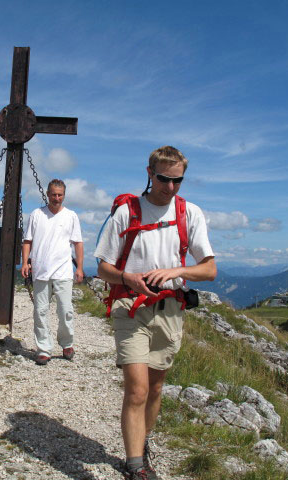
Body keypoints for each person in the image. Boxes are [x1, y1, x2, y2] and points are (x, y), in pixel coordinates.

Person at [94, 146, 216, 480]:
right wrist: (127, 278)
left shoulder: (189, 213)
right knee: (137, 389)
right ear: (150, 173)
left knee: (156, 388)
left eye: (178, 180)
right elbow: (102, 267)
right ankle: (136, 467)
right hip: (130, 309)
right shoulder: (126, 211)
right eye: (164, 179)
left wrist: (176, 271)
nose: (171, 187)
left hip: (171, 309)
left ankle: (141, 443)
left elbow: (209, 270)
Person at [21, 179, 84, 365]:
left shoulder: (71, 216)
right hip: (40, 270)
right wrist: (25, 262)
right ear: (47, 194)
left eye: (60, 195)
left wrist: (79, 267)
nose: (57, 198)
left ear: (64, 195)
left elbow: (78, 243)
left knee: (65, 310)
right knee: (40, 311)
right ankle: (43, 349)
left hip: (63, 270)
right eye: (54, 194)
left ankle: (67, 343)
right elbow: (27, 241)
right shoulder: (36, 214)